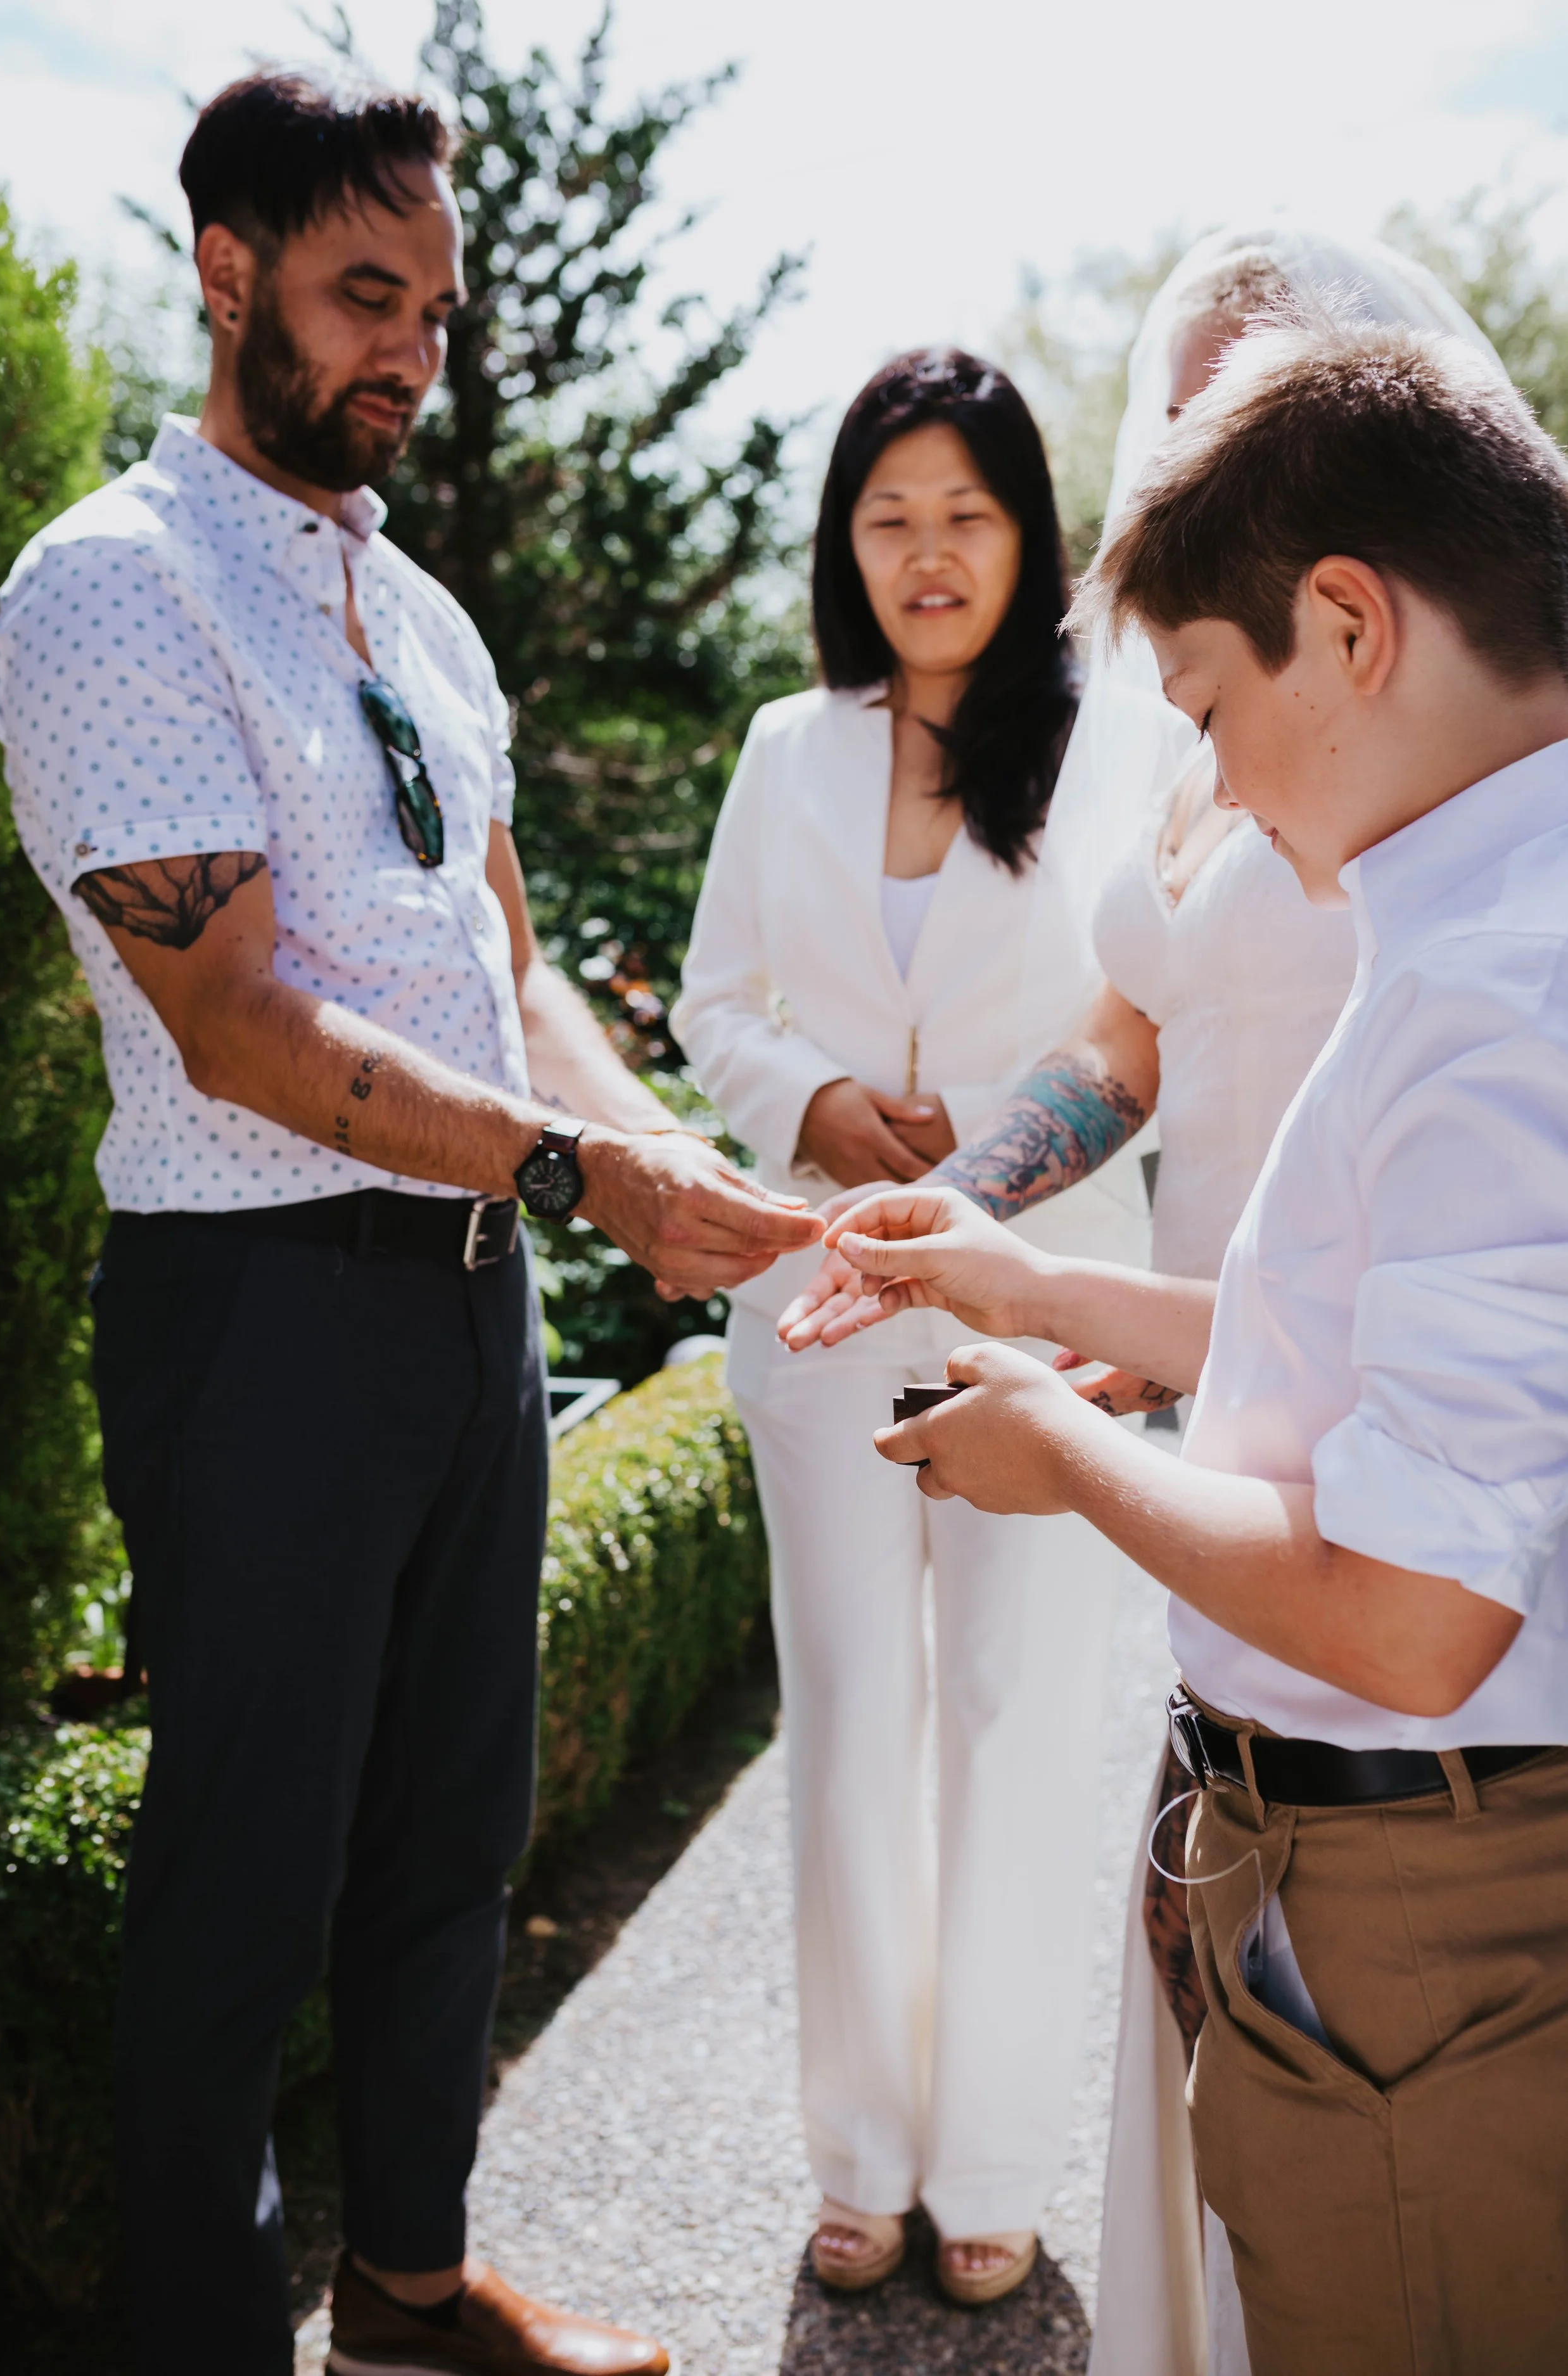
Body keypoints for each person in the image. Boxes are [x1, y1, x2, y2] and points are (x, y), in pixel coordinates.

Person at [0, 72, 824, 2376]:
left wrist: (677, 1172)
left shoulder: (424, 618)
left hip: (462, 1312)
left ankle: (411, 2292)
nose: (409, 358)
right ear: (224, 267)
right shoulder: (108, 588)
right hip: (253, 1315)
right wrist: (584, 1179)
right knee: (241, 1886)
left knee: (452, 1835)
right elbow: (242, 1026)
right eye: (367, 300)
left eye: (435, 315)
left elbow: (510, 968)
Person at [801, 311, 1568, 2375]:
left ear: (1345, 623)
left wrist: (1056, 1446)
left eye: (1208, 707)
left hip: (1424, 1890)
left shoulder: (1495, 986)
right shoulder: (1478, 926)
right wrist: (1036, 1285)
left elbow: (1413, 1622)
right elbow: (1358, 1345)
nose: (1206, 782)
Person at [670, 350, 1151, 2304]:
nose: (926, 552)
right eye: (887, 516)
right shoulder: (786, 742)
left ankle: (992, 2164)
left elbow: (1150, 1015)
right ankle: (858, 2155)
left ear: (1027, 531)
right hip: (818, 1301)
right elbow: (711, 998)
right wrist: (809, 1102)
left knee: (1022, 1720)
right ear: (841, 541)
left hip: (1034, 1306)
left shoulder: (1119, 739)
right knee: (853, 1717)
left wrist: (983, 1167)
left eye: (964, 513)